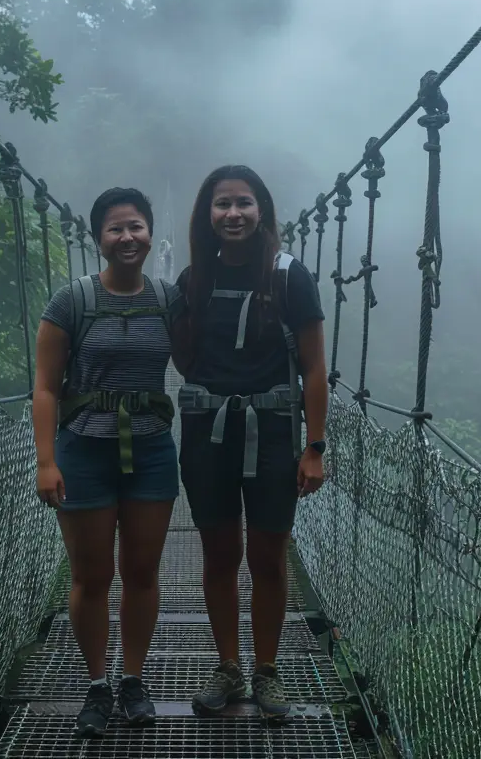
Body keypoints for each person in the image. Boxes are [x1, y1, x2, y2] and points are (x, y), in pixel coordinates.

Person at [170, 165, 328, 721]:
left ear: (261, 210)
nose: (232, 214)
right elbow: (183, 357)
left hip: (274, 434)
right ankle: (228, 668)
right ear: (207, 215)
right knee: (219, 554)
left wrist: (315, 446)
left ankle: (267, 671)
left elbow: (314, 367)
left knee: (266, 556)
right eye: (221, 204)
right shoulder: (192, 281)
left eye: (243, 202)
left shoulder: (289, 276)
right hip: (207, 435)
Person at [32, 187, 180, 737]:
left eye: (136, 227)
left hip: (151, 451)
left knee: (140, 573)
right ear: (98, 239)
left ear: (149, 234)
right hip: (84, 450)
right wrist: (46, 461)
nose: (127, 237)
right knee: (91, 577)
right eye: (116, 229)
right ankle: (98, 684)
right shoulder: (71, 301)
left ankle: (133, 679)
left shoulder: (168, 298)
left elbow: (203, 350)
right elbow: (45, 388)